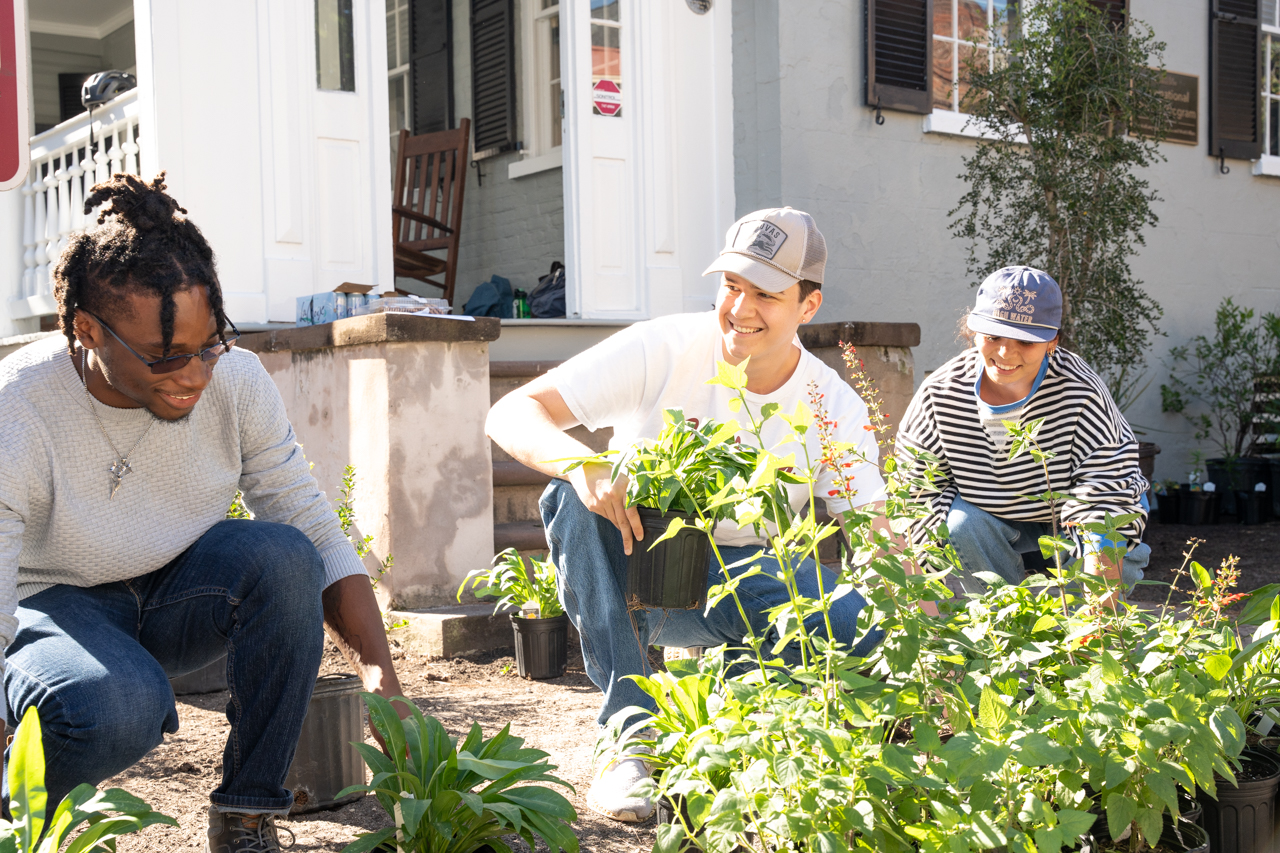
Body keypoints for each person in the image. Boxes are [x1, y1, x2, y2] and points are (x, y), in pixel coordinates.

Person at [0, 174, 404, 853]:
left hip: (176, 593)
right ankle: (27, 821)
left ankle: (245, 817)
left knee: (283, 556)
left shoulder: (238, 382)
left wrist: (380, 674)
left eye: (210, 341)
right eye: (165, 357)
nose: (195, 373)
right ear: (87, 328)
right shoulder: (22, 405)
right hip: (53, 606)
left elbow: (311, 523)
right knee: (115, 706)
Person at [486, 207, 889, 824]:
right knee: (571, 496)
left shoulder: (830, 403)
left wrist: (928, 624)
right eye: (731, 286)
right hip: (646, 567)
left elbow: (873, 529)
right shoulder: (666, 345)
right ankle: (630, 733)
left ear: (808, 306)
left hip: (755, 582)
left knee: (860, 616)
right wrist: (581, 464)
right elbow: (513, 412)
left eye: (766, 294)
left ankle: (746, 733)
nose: (740, 309)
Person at [895, 266, 1150, 606]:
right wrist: (926, 612)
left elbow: (1104, 495)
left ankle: (1069, 635)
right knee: (959, 524)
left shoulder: (1080, 391)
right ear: (973, 331)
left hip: (1070, 523)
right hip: (988, 525)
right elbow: (916, 494)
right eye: (993, 336)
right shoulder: (940, 394)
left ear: (1052, 341)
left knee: (1115, 560)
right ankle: (1002, 621)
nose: (1005, 353)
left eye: (1025, 341)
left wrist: (1095, 618)